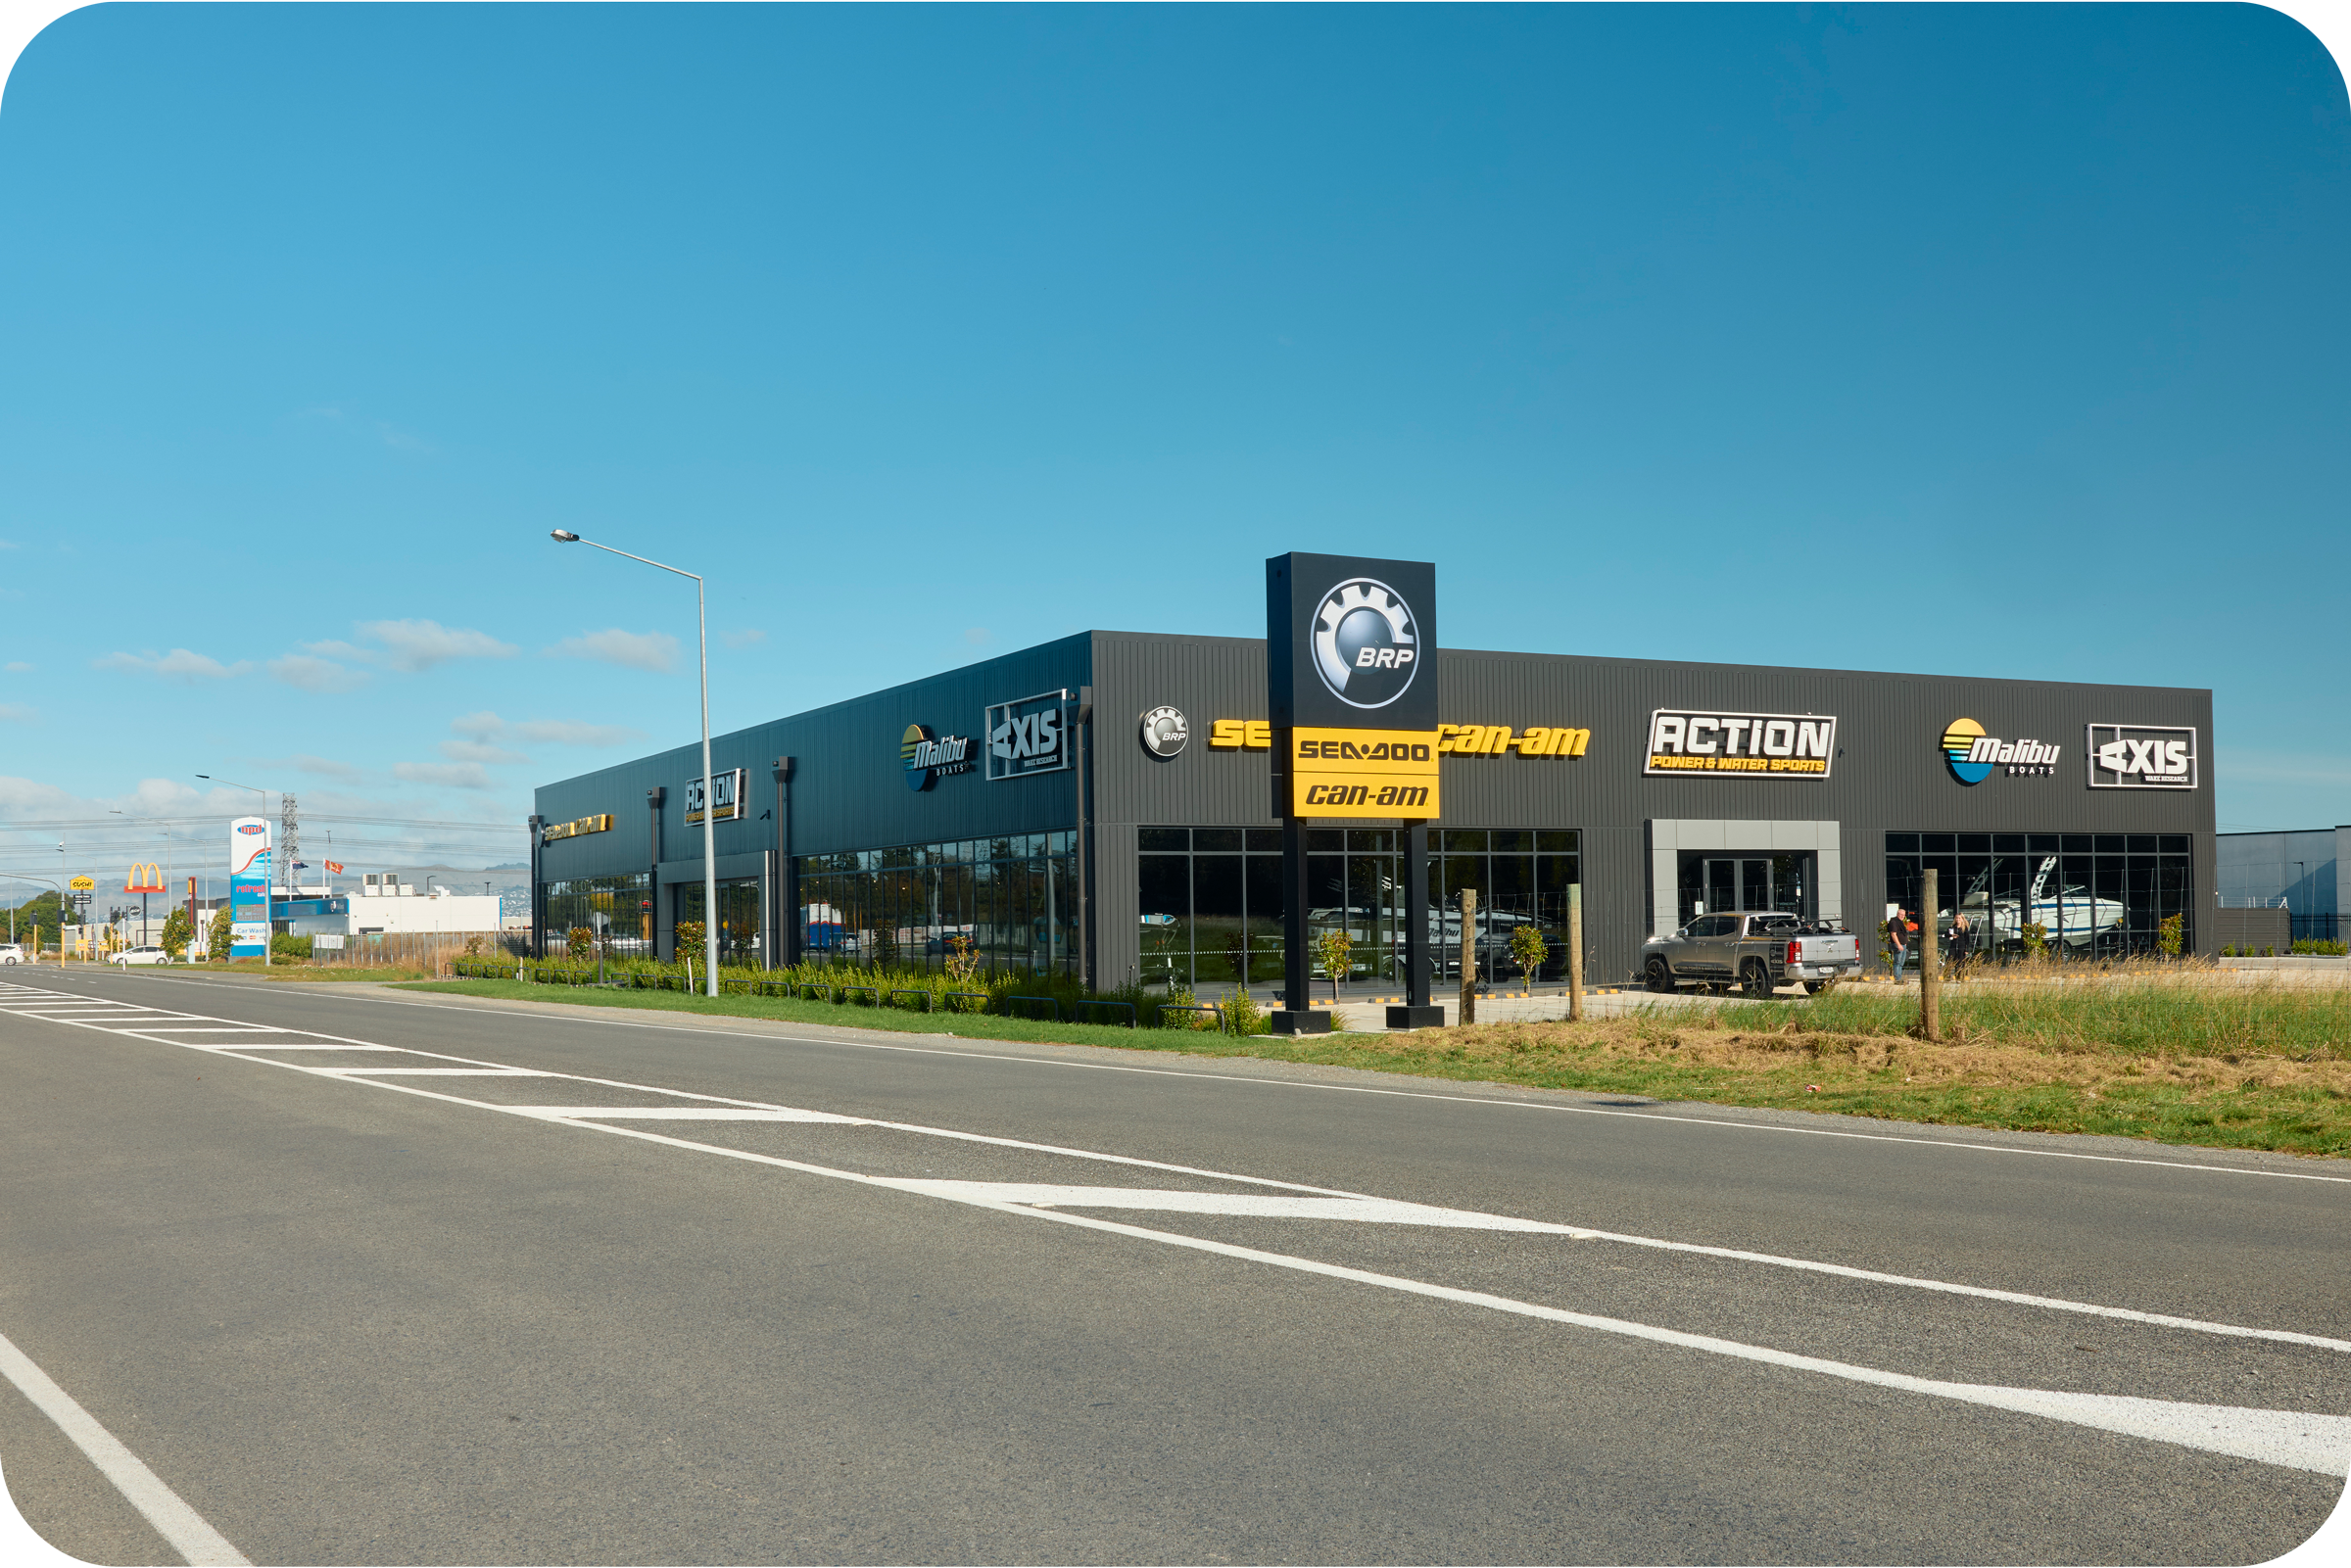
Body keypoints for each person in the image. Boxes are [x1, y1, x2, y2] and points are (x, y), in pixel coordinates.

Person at [1887, 908, 1911, 981]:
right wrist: (1898, 945)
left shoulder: (1900, 922)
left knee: (1901, 962)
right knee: (1897, 961)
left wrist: (1905, 943)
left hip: (1903, 944)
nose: (1902, 916)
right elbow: (1893, 934)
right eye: (1901, 914)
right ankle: (1897, 978)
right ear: (1897, 914)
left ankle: (1899, 977)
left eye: (1903, 915)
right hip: (1898, 945)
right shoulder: (1894, 922)